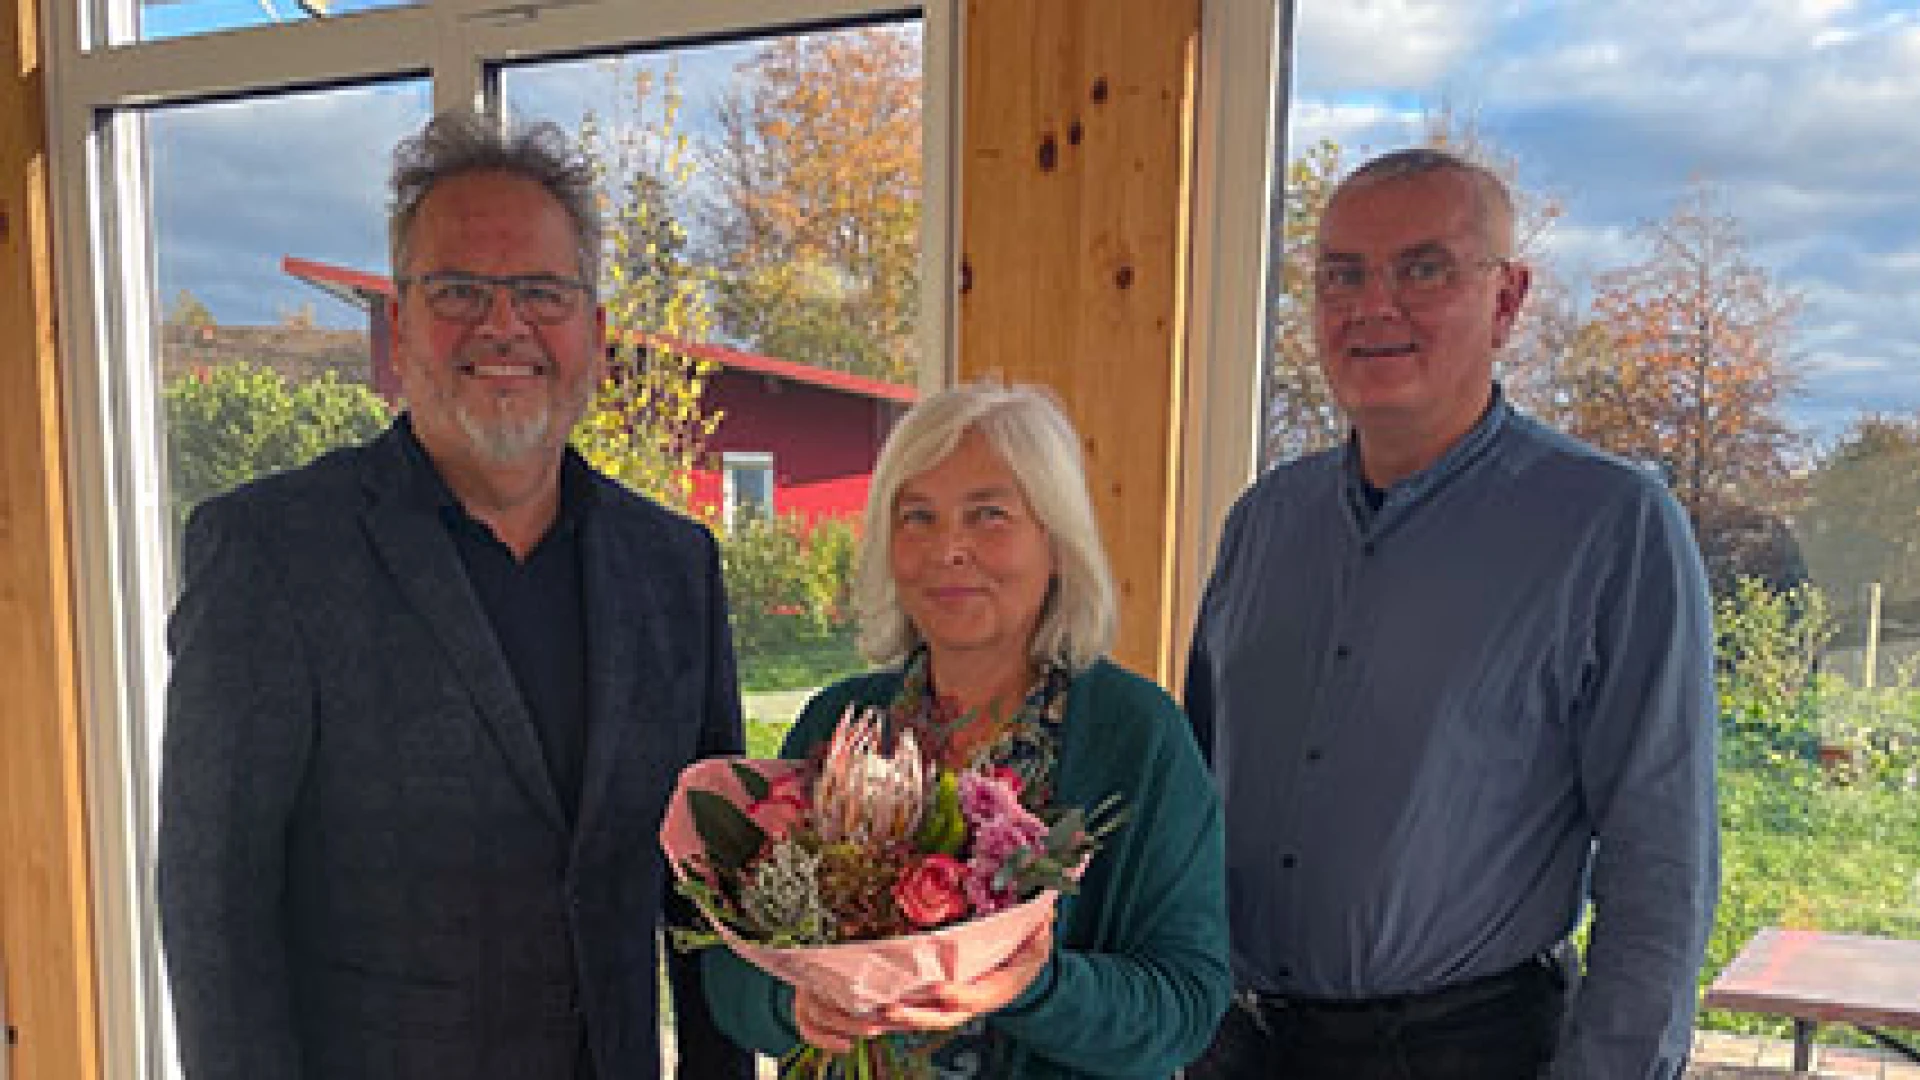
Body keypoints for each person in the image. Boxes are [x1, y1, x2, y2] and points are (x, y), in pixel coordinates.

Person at [157, 109, 752, 1080]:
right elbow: (214, 911)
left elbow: (709, 889)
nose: (503, 324)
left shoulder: (673, 568)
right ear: (401, 327)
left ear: (595, 335)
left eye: (541, 293)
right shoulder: (271, 556)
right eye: (460, 291)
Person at [1183, 148, 1719, 1079]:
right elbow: (1187, 794)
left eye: (1422, 269)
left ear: (1508, 302)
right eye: (1340, 276)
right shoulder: (1264, 522)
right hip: (1233, 1045)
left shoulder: (1609, 528)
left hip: (1463, 1053)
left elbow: (1660, 861)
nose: (1371, 306)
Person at [702, 381, 1232, 1077]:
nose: (947, 548)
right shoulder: (839, 724)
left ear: (1057, 544)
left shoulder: (1136, 735)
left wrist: (1035, 987)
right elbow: (732, 969)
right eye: (916, 517)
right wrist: (790, 1003)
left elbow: (1184, 1005)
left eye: (988, 515)